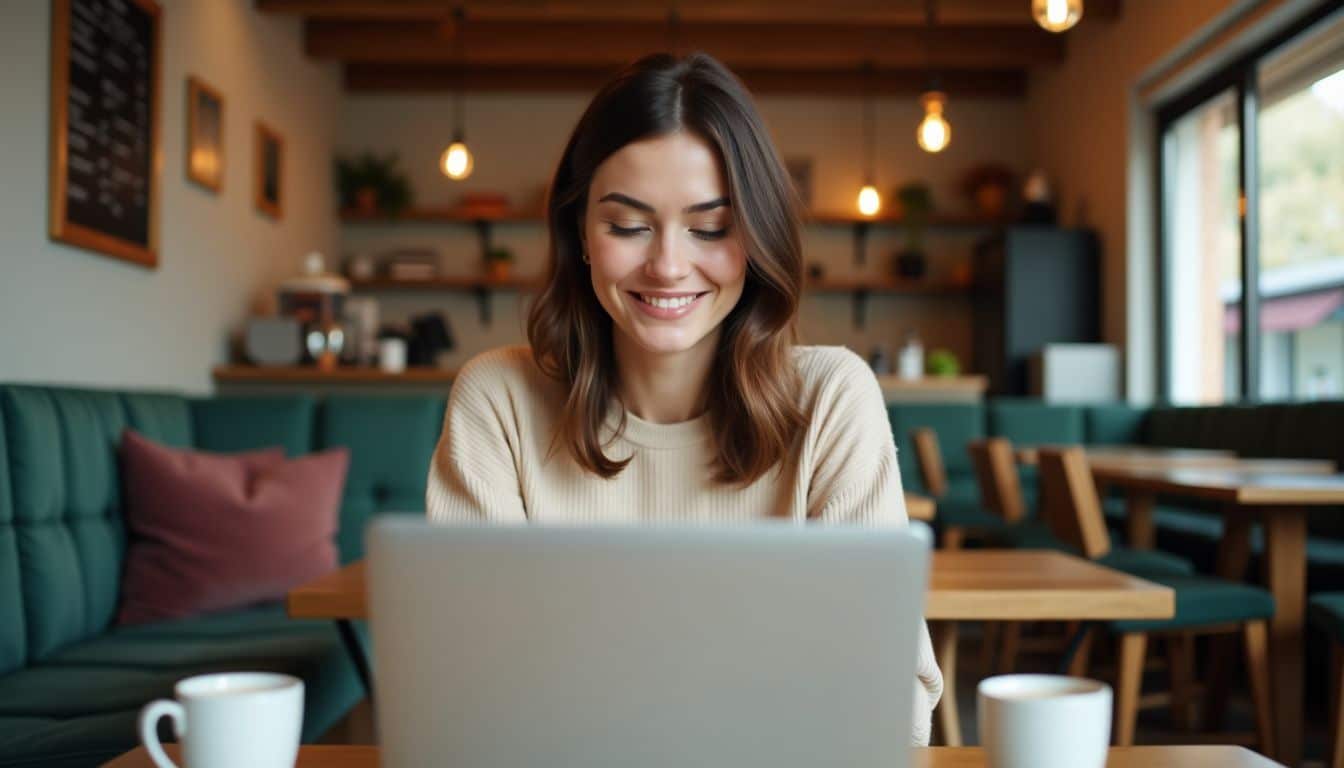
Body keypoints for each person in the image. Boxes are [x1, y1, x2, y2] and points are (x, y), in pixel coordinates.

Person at [426, 51, 942, 745]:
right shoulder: (498, 403)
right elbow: (470, 688)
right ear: (580, 233)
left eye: (710, 227)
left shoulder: (831, 399)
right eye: (628, 225)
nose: (668, 264)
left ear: (755, 236)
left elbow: (892, 697)